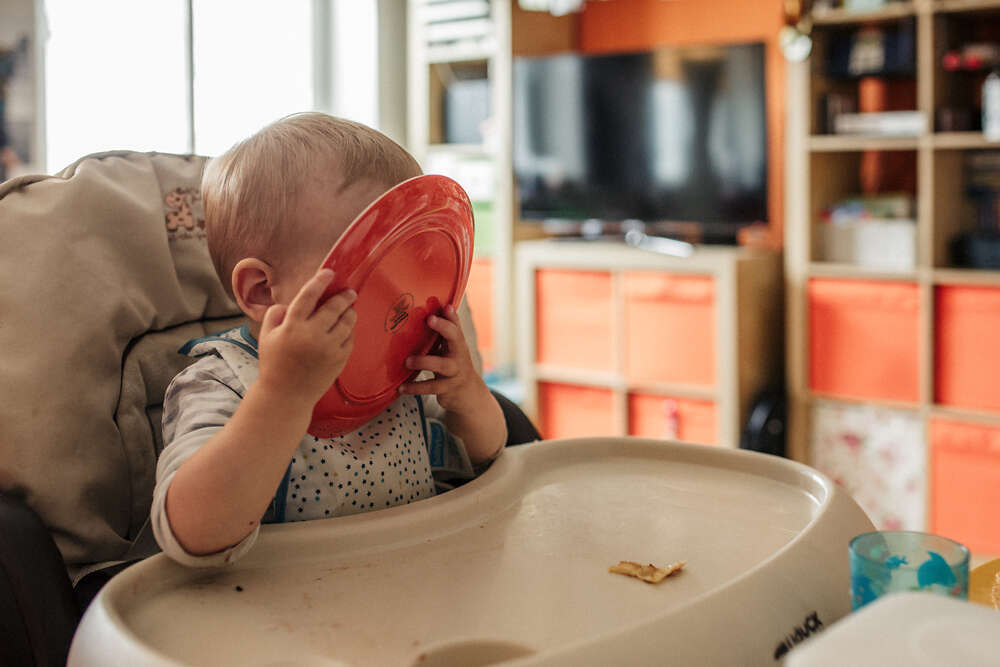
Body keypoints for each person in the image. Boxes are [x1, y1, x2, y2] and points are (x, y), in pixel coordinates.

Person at [151, 113, 506, 566]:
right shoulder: (224, 383)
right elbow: (192, 532)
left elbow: (489, 454)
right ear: (262, 291)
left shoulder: (402, 369)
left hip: (414, 595)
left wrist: (466, 393)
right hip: (278, 619)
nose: (398, 299)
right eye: (370, 270)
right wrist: (282, 397)